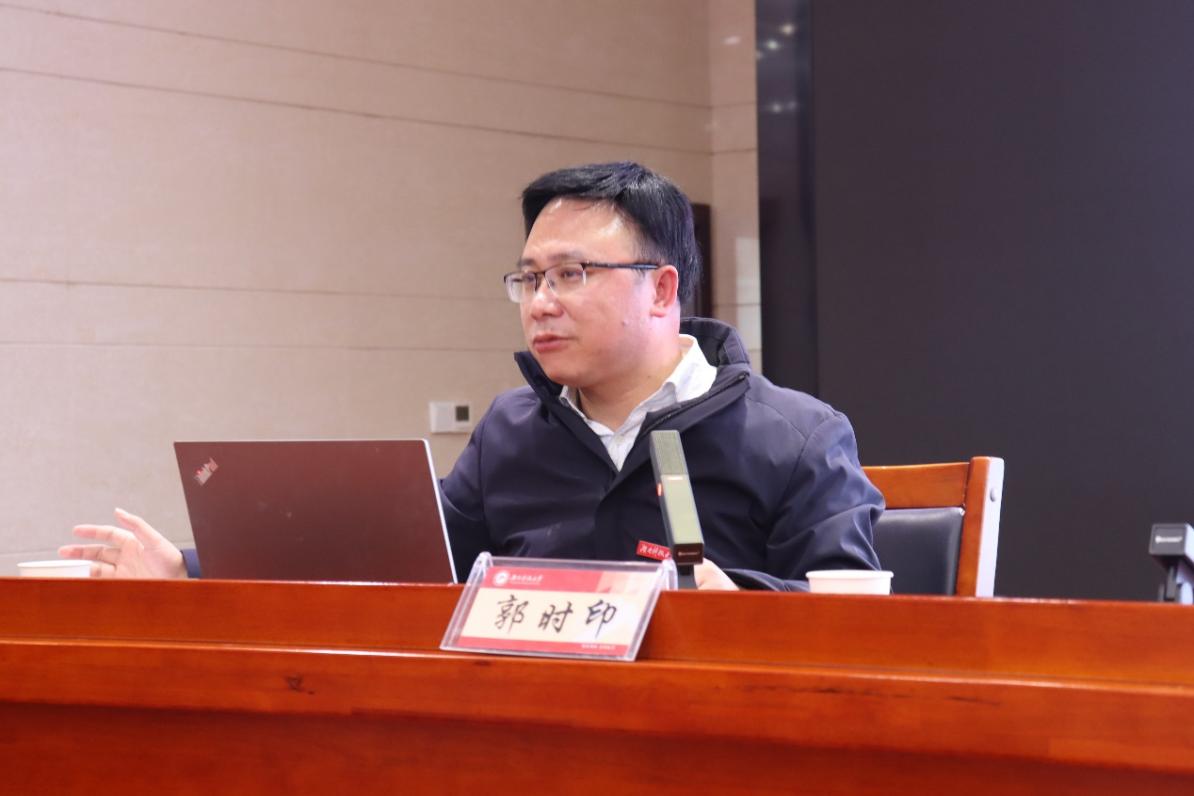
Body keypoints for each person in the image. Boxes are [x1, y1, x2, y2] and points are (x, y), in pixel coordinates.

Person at [62, 161, 882, 590]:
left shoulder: (798, 436)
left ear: (662, 289)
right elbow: (399, 561)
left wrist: (739, 607)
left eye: (571, 275)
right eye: (530, 279)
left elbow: (856, 614)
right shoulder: (512, 429)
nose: (541, 303)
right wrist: (190, 568)